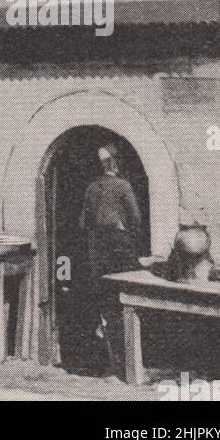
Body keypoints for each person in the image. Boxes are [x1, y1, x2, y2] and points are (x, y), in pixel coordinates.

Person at [79, 143, 141, 371]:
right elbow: (136, 218)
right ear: (117, 163)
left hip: (96, 249)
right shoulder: (123, 186)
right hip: (119, 247)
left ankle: (108, 358)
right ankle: (126, 360)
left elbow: (84, 222)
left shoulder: (92, 188)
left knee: (104, 300)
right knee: (124, 296)